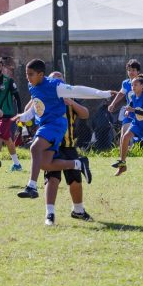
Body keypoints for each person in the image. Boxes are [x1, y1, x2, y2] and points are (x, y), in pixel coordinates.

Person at [14, 60, 113, 199]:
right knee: (45, 164)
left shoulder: (54, 86)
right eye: (26, 74)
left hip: (55, 125)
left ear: (41, 74)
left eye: (31, 74)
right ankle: (78, 163)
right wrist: (24, 116)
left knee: (35, 148)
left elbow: (78, 90)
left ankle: (31, 187)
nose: (27, 77)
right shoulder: (32, 85)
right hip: (46, 125)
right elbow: (36, 106)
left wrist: (103, 93)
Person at [42, 71, 93, 225]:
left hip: (69, 146)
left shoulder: (70, 98)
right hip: (52, 145)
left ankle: (78, 210)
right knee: (52, 179)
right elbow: (30, 108)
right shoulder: (45, 98)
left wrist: (71, 102)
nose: (58, 83)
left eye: (60, 80)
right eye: (54, 80)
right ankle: (50, 214)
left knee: (76, 180)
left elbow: (85, 114)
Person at [108, 59, 143, 168]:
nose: (131, 72)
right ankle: (122, 162)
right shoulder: (126, 83)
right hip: (130, 115)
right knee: (124, 136)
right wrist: (113, 104)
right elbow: (121, 94)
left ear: (138, 72)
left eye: (134, 70)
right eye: (129, 70)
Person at [0, 57, 23, 171]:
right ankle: (17, 164)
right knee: (8, 141)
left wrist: (20, 114)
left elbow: (17, 98)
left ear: (2, 67)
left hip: (7, 115)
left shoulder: (9, 81)